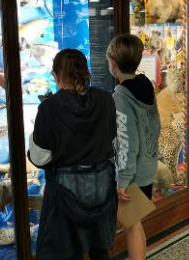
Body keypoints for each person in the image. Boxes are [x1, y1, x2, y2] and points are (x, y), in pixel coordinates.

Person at [28, 48, 118, 260]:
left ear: (55, 75)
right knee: (99, 251)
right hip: (102, 191)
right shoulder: (106, 100)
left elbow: (39, 158)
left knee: (65, 253)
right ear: (85, 72)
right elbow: (113, 142)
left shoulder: (49, 108)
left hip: (64, 196)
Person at [107, 34, 160, 260]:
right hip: (147, 169)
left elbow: (127, 141)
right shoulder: (146, 85)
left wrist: (123, 180)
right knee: (137, 227)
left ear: (113, 63)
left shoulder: (121, 95)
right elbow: (155, 125)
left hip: (132, 176)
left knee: (133, 229)